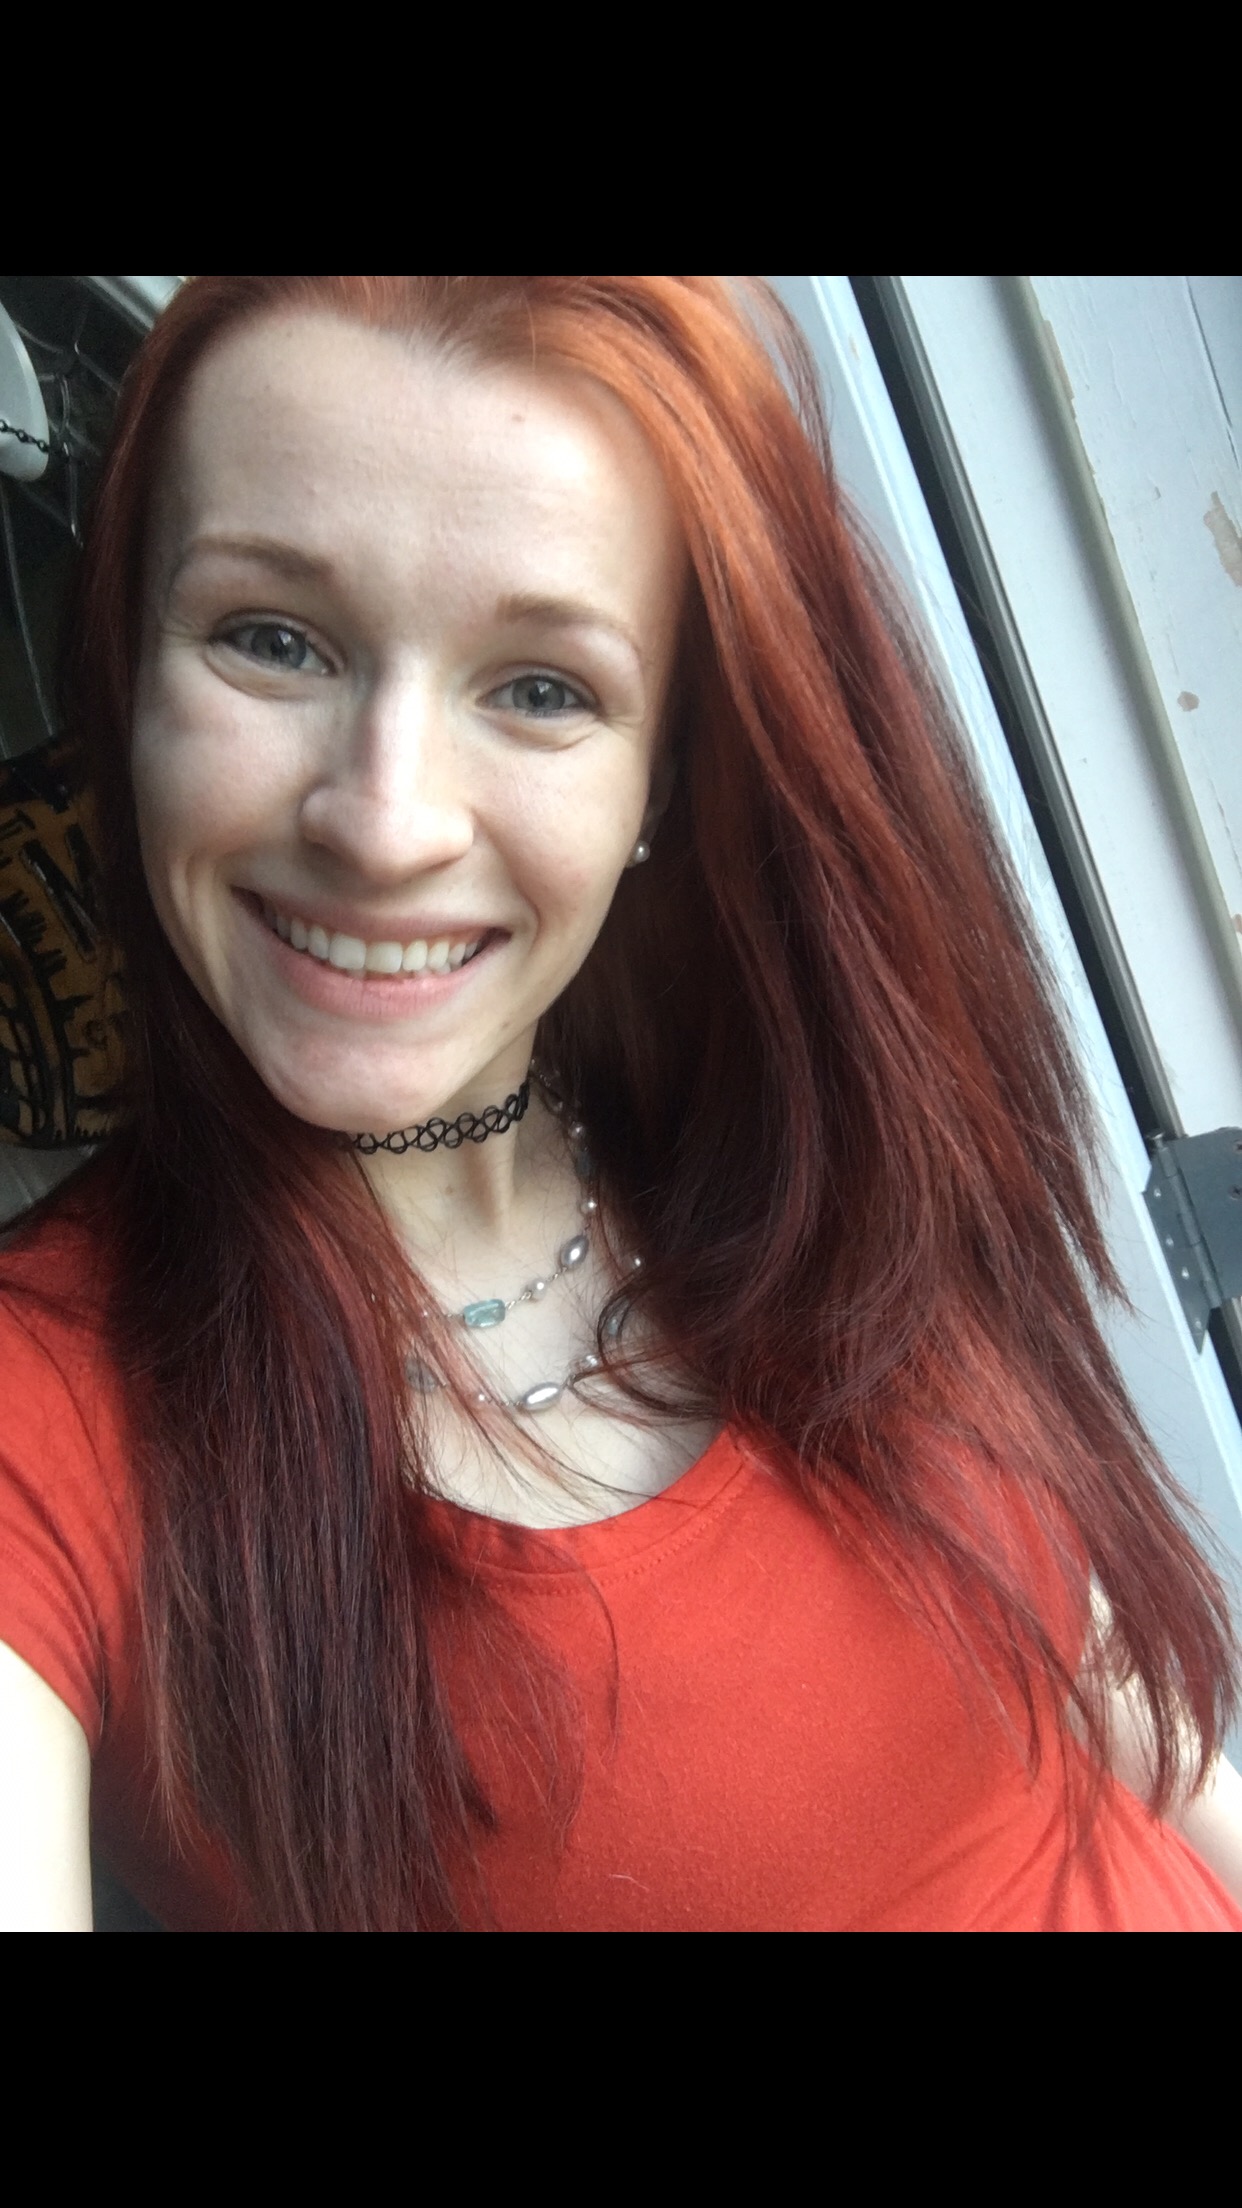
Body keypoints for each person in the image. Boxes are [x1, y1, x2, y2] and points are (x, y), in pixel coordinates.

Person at [1, 274, 1241, 1934]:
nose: (385, 822)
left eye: (540, 688)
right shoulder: (50, 1409)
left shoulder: (792, 1140)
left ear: (660, 777)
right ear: (130, 684)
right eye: (271, 639)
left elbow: (1098, 1692)